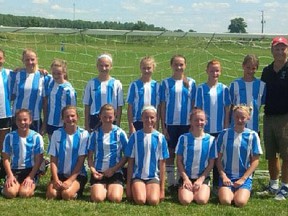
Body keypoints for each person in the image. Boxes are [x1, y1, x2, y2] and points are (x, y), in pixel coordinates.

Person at [160, 54, 196, 191]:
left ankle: (183, 180)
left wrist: (192, 125)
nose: (178, 67)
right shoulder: (165, 83)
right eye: (176, 64)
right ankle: (171, 183)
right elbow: (162, 105)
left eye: (181, 64)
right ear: (171, 66)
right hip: (171, 124)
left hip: (186, 124)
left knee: (184, 154)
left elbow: (194, 105)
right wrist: (163, 126)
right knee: (170, 153)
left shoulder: (191, 83)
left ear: (185, 66)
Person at [194, 60, 231, 190]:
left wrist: (225, 127)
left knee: (218, 157)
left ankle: (217, 184)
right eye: (212, 70)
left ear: (220, 72)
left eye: (217, 70)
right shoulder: (200, 88)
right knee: (204, 155)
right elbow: (198, 109)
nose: (214, 73)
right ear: (207, 71)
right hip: (205, 130)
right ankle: (203, 181)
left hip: (220, 129)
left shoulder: (224, 89)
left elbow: (227, 109)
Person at [216, 105, 262, 207]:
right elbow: (218, 159)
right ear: (233, 116)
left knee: (240, 202)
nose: (239, 120)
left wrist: (243, 179)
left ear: (248, 118)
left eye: (243, 117)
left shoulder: (252, 135)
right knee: (226, 201)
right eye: (237, 117)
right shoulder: (224, 134)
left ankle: (240, 191)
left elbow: (255, 161)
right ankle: (228, 191)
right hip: (227, 176)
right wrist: (223, 176)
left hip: (243, 177)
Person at [259, 36, 288, 200]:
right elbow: (261, 95)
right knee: (271, 154)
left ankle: (285, 187)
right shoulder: (267, 71)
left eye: (283, 48)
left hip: (285, 118)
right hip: (269, 117)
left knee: (286, 154)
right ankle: (273, 185)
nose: (279, 51)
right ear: (272, 51)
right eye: (276, 48)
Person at [125, 106, 169, 205]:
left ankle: (152, 189)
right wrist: (128, 186)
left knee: (153, 201)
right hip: (138, 176)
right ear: (141, 118)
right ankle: (134, 187)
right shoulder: (135, 136)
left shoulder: (160, 138)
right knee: (140, 200)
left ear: (156, 118)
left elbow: (162, 165)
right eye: (146, 117)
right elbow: (130, 163)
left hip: (153, 177)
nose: (149, 120)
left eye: (152, 117)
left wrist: (162, 189)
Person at [46, 105, 89, 200]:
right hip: (60, 175)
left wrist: (70, 180)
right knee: (51, 195)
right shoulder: (56, 134)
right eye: (67, 116)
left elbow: (80, 161)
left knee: (66, 194)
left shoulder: (83, 134)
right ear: (62, 119)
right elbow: (53, 160)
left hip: (77, 175)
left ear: (77, 117)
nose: (70, 119)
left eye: (73, 116)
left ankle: (75, 191)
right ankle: (58, 186)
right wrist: (56, 179)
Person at [88, 104, 128, 203]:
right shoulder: (95, 134)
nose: (107, 119)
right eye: (104, 117)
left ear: (114, 117)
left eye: (110, 117)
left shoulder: (120, 133)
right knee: (98, 198)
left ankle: (110, 188)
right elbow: (89, 157)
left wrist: (113, 170)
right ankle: (101, 188)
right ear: (100, 117)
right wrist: (93, 171)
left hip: (115, 172)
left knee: (115, 198)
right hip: (98, 172)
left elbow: (126, 155)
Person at [176, 108, 216, 205]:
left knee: (201, 200)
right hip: (187, 176)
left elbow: (211, 164)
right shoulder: (183, 138)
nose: (199, 122)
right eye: (196, 120)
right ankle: (184, 188)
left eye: (202, 120)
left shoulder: (211, 140)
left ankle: (202, 189)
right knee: (185, 200)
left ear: (205, 121)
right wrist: (185, 179)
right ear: (191, 122)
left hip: (202, 177)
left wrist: (201, 180)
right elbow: (179, 161)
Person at [2, 109, 44, 198]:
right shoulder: (9, 137)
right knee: (11, 193)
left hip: (30, 171)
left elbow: (39, 159)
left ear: (30, 120)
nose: (22, 122)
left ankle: (30, 184)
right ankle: (8, 187)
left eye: (25, 120)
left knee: (24, 193)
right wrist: (10, 175)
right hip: (15, 171)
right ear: (15, 122)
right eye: (19, 120)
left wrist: (31, 176)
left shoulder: (37, 137)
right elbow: (5, 158)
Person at [11, 48, 49, 133]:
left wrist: (45, 124)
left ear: (37, 60)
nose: (30, 62)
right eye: (27, 60)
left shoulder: (43, 76)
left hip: (34, 119)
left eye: (32, 59)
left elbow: (45, 102)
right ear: (23, 60)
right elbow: (11, 96)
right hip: (17, 118)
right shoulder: (17, 74)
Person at [83, 53, 124, 132]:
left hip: (111, 118)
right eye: (101, 65)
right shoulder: (91, 83)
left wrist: (118, 123)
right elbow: (87, 105)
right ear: (97, 66)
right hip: (95, 119)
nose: (104, 68)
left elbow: (120, 106)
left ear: (111, 66)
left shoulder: (117, 84)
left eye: (106, 65)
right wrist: (86, 125)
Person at [229, 54, 266, 133]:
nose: (250, 71)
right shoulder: (234, 84)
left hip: (254, 128)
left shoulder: (261, 85)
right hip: (236, 127)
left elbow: (261, 103)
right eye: (248, 67)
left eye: (253, 68)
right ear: (243, 66)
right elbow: (230, 106)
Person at [44, 59, 77, 140]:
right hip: (50, 122)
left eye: (59, 73)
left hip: (63, 124)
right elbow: (36, 72)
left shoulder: (68, 89)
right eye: (54, 73)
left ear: (64, 73)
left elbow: (72, 108)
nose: (55, 76)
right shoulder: (51, 82)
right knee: (53, 147)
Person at [127, 56, 160, 135]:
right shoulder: (134, 85)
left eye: (149, 68)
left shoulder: (157, 86)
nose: (146, 70)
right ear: (140, 68)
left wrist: (157, 124)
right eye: (144, 68)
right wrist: (131, 125)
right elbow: (130, 107)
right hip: (138, 121)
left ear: (153, 68)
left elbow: (159, 107)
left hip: (151, 121)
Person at [0, 49, 13, 179]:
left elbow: (24, 72)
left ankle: (4, 172)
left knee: (3, 144)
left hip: (5, 114)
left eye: (0, 58)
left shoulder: (8, 74)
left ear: (4, 59)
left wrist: (41, 71)